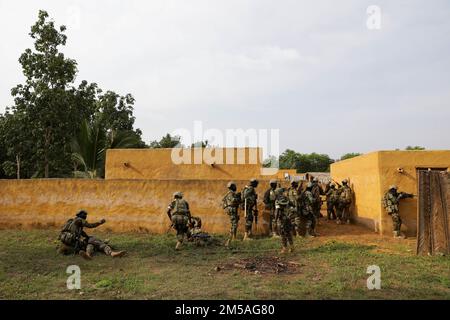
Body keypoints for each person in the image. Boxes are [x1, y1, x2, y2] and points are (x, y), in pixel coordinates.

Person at [58, 210, 125, 259]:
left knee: (90, 243)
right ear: (81, 215)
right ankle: (111, 252)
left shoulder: (70, 221)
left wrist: (86, 237)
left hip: (66, 241)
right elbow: (90, 225)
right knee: (92, 241)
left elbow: (80, 232)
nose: (85, 216)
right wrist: (99, 222)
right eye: (85, 215)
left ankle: (88, 254)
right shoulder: (79, 220)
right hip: (73, 241)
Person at [274, 188, 294, 253]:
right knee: (288, 233)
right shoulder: (287, 198)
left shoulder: (277, 200)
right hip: (288, 218)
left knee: (282, 234)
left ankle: (284, 248)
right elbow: (293, 205)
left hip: (281, 219)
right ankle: (292, 247)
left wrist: (275, 220)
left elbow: (277, 211)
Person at [222, 181, 242, 246]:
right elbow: (233, 201)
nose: (235, 187)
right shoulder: (231, 194)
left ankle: (234, 238)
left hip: (232, 209)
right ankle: (229, 240)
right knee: (234, 224)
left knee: (235, 223)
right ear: (232, 186)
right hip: (232, 209)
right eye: (234, 186)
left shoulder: (230, 193)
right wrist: (238, 197)